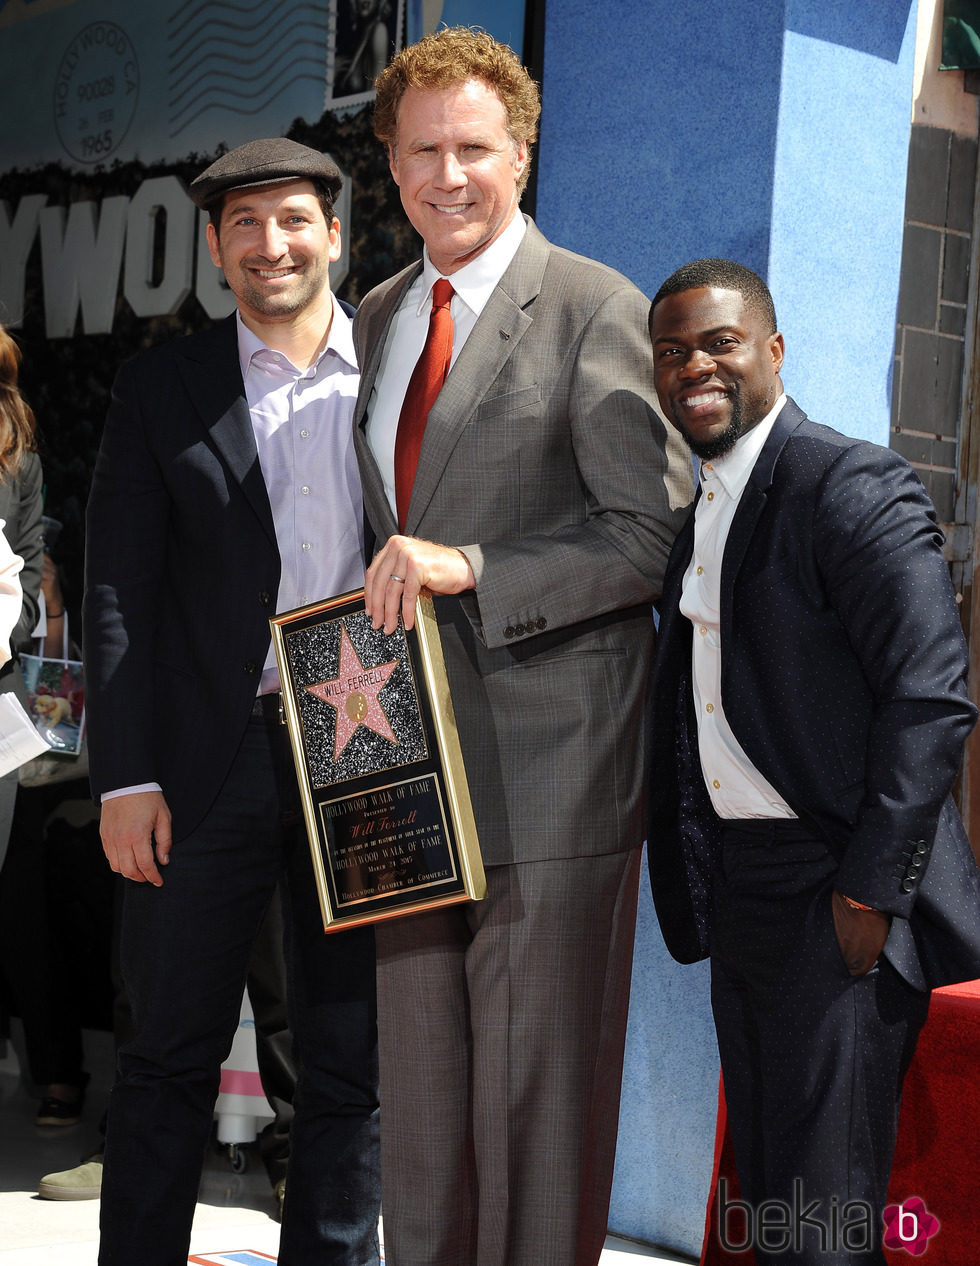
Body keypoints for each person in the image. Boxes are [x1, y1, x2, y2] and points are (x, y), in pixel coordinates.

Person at [353, 27, 693, 1266]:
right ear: (390, 166)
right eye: (423, 151)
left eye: (474, 149)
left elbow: (647, 538)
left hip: (552, 767)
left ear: (523, 152)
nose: (449, 175)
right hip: (404, 772)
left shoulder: (595, 306)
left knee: (537, 1114)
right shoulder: (382, 311)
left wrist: (475, 570)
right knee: (426, 1109)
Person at [645, 258, 980, 1264]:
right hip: (743, 893)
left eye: (717, 343)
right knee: (779, 1212)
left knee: (823, 1223)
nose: (692, 368)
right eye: (670, 352)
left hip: (836, 897)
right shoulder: (700, 510)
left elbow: (929, 700)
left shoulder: (847, 484)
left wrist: (869, 894)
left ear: (772, 351)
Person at [82, 137, 380, 1266]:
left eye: (294, 220)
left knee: (348, 1061)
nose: (272, 244)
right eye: (245, 226)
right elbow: (118, 591)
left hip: (363, 741)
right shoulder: (165, 386)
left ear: (337, 234)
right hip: (207, 763)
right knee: (167, 1054)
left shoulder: (399, 364)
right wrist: (125, 776)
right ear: (214, 248)